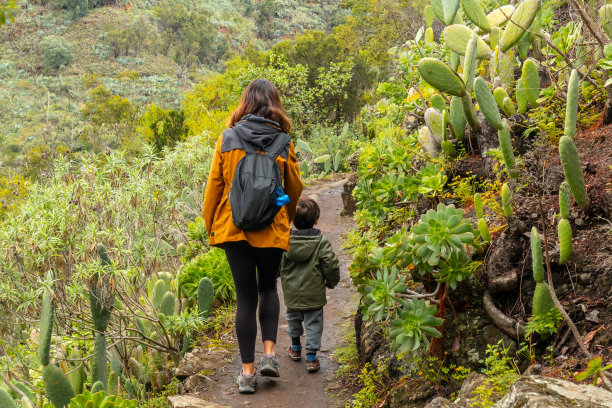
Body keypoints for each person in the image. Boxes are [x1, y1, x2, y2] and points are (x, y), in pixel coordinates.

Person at [202, 79, 303, 394]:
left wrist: (212, 226)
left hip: (235, 229)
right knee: (268, 290)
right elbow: (294, 187)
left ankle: (247, 374)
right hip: (270, 229)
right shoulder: (283, 141)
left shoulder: (228, 138)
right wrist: (284, 214)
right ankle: (270, 355)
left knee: (244, 298)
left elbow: (213, 189)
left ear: (245, 103)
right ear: (274, 104)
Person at [279, 197, 340, 373]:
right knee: (314, 323)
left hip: (291, 293)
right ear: (316, 220)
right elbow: (330, 263)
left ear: (291, 220)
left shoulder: (285, 240)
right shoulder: (320, 242)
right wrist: (332, 281)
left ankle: (296, 348)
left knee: (293, 318)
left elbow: (277, 262)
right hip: (314, 292)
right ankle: (311, 358)